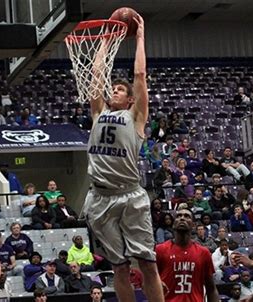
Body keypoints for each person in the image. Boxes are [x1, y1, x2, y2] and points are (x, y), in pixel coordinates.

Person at [82, 15, 164, 302]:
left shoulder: (136, 117)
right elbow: (96, 74)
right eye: (112, 89)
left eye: (119, 89)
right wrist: (105, 40)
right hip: (100, 198)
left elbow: (139, 76)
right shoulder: (98, 114)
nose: (113, 90)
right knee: (119, 266)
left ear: (130, 99)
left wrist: (140, 37)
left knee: (147, 264)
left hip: (130, 196)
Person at [156, 208, 219, 301]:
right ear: (173, 224)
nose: (182, 218)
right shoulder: (160, 250)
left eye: (187, 216)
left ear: (193, 225)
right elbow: (149, 282)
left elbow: (211, 289)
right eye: (178, 216)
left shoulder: (203, 253)